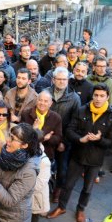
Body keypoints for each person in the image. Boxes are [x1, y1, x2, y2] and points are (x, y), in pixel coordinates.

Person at [47, 84, 112, 222]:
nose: (98, 99)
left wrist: (100, 139)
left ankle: (81, 209)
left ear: (107, 97)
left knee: (87, 188)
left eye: (102, 96)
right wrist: (80, 139)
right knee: (68, 184)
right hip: (77, 155)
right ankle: (61, 207)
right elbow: (69, 130)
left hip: (95, 159)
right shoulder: (81, 110)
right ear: (92, 96)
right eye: (96, 95)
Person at [46, 67, 81, 203]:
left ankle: (58, 190)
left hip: (63, 139)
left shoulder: (74, 98)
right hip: (47, 137)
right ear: (53, 80)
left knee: (62, 169)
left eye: (64, 79)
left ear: (68, 80)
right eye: (58, 79)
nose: (61, 82)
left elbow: (74, 123)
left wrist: (64, 142)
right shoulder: (45, 93)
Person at [25, 144, 51, 222]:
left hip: (34, 198)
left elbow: (39, 184)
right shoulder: (24, 152)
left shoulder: (44, 161)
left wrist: (20, 186)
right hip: (22, 196)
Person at [21, 91, 63, 161]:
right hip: (27, 153)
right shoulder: (26, 114)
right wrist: (33, 130)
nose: (42, 103)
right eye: (40, 100)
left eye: (46, 101)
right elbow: (21, 135)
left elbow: (58, 138)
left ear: (51, 103)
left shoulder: (56, 117)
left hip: (46, 154)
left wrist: (49, 138)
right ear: (36, 101)